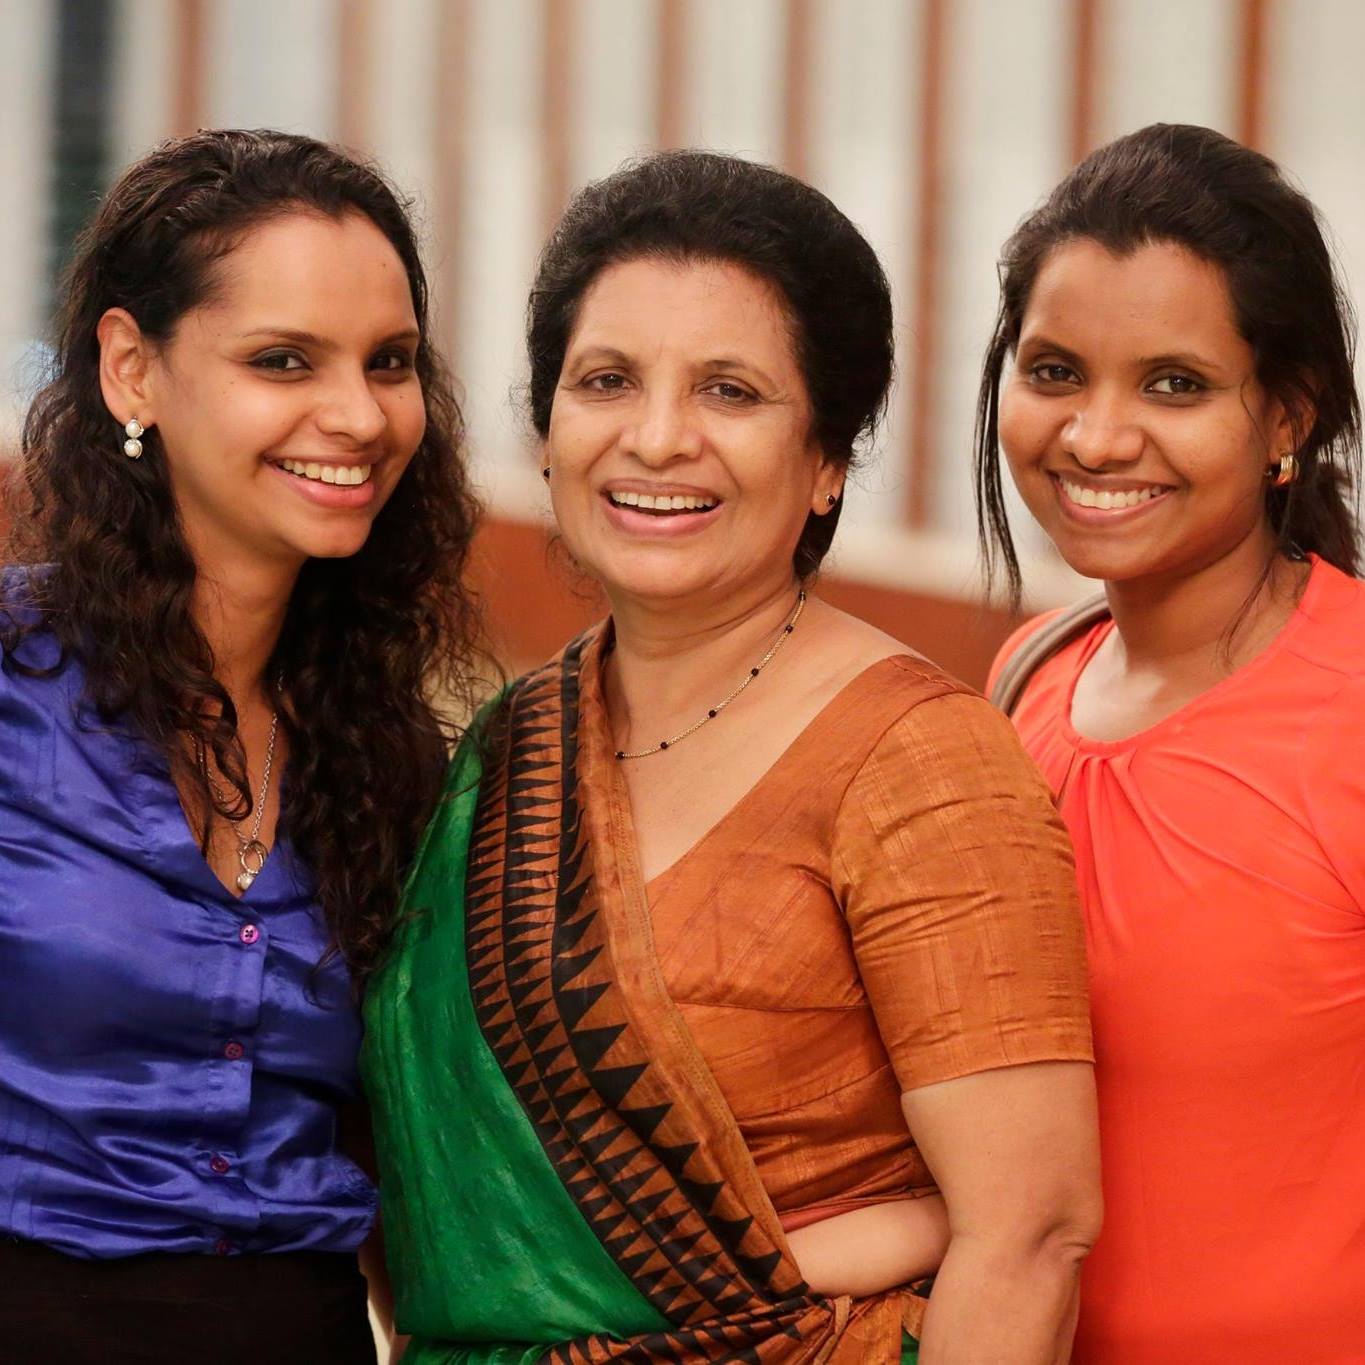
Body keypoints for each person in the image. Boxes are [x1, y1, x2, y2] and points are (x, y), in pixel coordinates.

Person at [364, 150, 1100, 1365]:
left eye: (730, 391)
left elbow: (1030, 1233)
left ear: (826, 462)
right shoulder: (509, 749)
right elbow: (449, 1211)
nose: (658, 438)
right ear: (548, 431)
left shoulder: (921, 764)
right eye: (607, 381)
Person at [0, 129, 481, 1362]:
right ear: (131, 371)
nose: (359, 416)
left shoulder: (392, 762)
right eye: (284, 360)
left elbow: (397, 1168)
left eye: (389, 362)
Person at [979, 123, 1365, 1363]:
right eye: (1055, 371)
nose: (1095, 438)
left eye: (1174, 385)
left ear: (1287, 415)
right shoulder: (1025, 680)